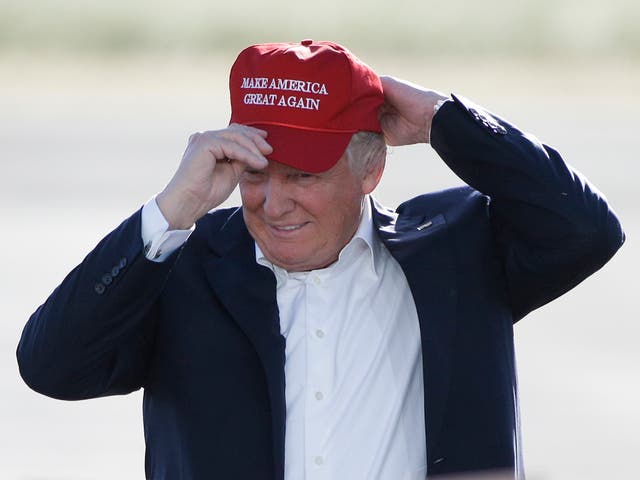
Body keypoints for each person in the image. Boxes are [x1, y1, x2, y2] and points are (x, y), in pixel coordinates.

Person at [17, 40, 624, 479]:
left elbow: (586, 230)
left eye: (302, 174)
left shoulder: (456, 251)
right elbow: (52, 367)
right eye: (254, 173)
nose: (273, 203)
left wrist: (448, 122)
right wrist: (172, 209)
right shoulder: (183, 263)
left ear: (372, 167)